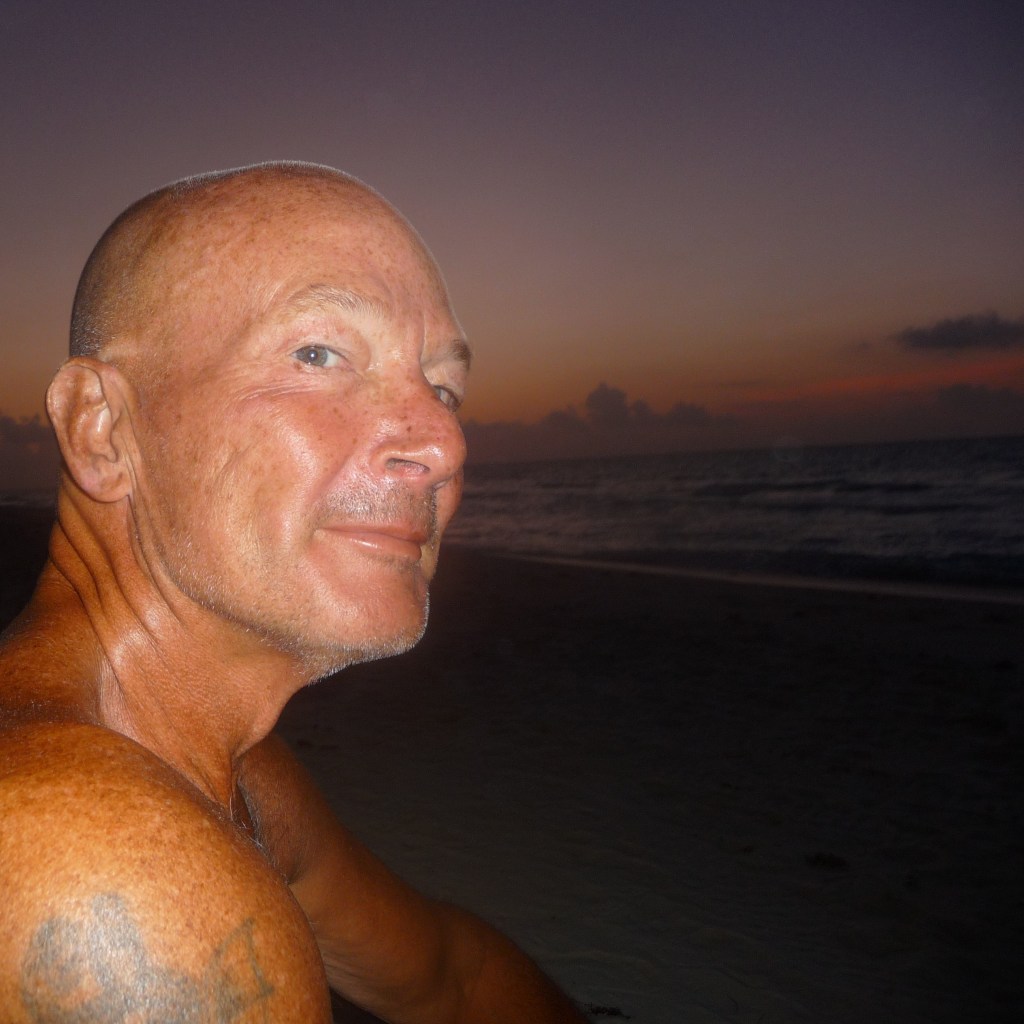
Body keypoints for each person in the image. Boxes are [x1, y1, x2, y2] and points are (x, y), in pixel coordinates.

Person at [0, 163, 586, 1023]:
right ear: (102, 428)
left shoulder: (229, 767)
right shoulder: (96, 860)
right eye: (318, 354)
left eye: (444, 388)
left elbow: (447, 977)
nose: (443, 444)